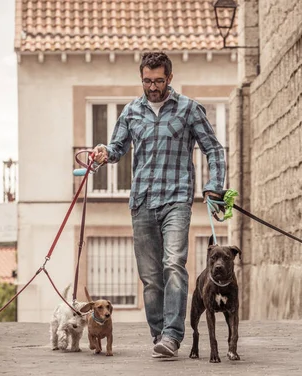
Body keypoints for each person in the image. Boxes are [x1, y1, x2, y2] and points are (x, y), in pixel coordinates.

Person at [92, 52, 226, 358]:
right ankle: (159, 334)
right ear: (141, 78)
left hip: (177, 199)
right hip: (142, 201)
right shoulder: (131, 112)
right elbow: (117, 148)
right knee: (151, 277)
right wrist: (103, 153)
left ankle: (172, 334)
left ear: (170, 78)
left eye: (159, 80)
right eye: (147, 81)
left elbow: (214, 150)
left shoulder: (189, 109)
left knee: (173, 265)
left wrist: (214, 186)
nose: (153, 87)